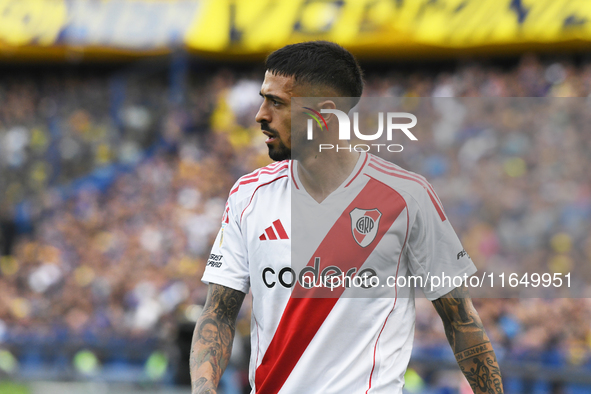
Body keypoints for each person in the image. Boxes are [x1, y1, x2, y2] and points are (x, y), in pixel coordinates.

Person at [190, 41, 504, 394]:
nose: (261, 115)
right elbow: (217, 312)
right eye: (264, 99)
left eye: (276, 102)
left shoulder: (407, 197)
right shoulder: (248, 195)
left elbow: (461, 322)